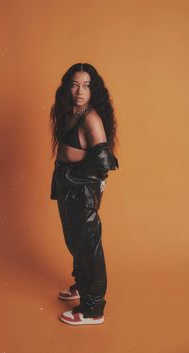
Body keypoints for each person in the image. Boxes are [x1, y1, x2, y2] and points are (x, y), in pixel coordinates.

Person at [50, 63, 119, 325]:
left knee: (88, 246)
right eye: (75, 84)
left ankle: (92, 309)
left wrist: (90, 189)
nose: (80, 91)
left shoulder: (91, 118)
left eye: (87, 85)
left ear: (94, 89)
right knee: (74, 240)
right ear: (68, 86)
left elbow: (103, 161)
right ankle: (82, 284)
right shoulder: (70, 111)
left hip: (81, 187)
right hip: (67, 182)